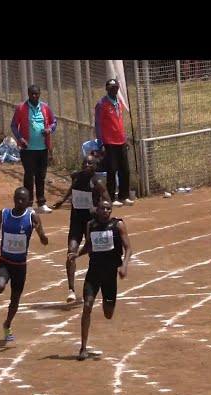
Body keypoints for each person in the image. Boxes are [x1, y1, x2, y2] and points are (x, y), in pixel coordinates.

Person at [68, 200, 132, 361]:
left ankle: (106, 302)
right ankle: (83, 348)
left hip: (110, 275)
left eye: (108, 209)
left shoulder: (118, 226)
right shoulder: (91, 225)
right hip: (94, 273)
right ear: (97, 209)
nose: (105, 211)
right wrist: (78, 254)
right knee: (87, 306)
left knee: (108, 313)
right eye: (102, 208)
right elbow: (89, 245)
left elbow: (128, 248)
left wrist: (124, 265)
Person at [0, 186, 49, 342]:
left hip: (20, 266)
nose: (19, 201)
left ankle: (7, 325)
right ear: (14, 198)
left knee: (15, 300)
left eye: (23, 199)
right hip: (5, 261)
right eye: (17, 198)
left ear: (29, 202)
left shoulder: (32, 217)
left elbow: (44, 239)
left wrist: (41, 235)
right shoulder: (5, 214)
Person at [52, 155, 111, 303]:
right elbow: (73, 188)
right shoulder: (76, 177)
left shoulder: (97, 183)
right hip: (76, 222)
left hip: (92, 224)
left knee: (96, 256)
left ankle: (101, 285)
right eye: (84, 162)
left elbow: (108, 201)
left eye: (90, 163)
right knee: (71, 252)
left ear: (95, 166)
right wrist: (63, 200)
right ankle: (71, 289)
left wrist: (98, 210)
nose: (86, 165)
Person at [10, 85, 58, 214]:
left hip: (42, 148)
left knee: (41, 176)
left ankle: (41, 203)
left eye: (36, 94)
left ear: (40, 94)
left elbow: (54, 122)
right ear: (28, 94)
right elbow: (14, 125)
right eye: (32, 94)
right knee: (29, 175)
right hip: (28, 149)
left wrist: (49, 130)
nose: (34, 96)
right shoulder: (21, 108)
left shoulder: (45, 107)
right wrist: (20, 138)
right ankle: (29, 204)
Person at [95, 78, 134, 207]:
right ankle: (111, 197)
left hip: (120, 141)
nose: (114, 90)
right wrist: (101, 143)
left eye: (116, 88)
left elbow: (120, 123)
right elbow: (98, 124)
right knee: (112, 170)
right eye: (111, 88)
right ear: (107, 89)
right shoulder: (102, 104)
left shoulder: (119, 102)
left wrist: (125, 138)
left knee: (125, 170)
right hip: (109, 142)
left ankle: (124, 195)